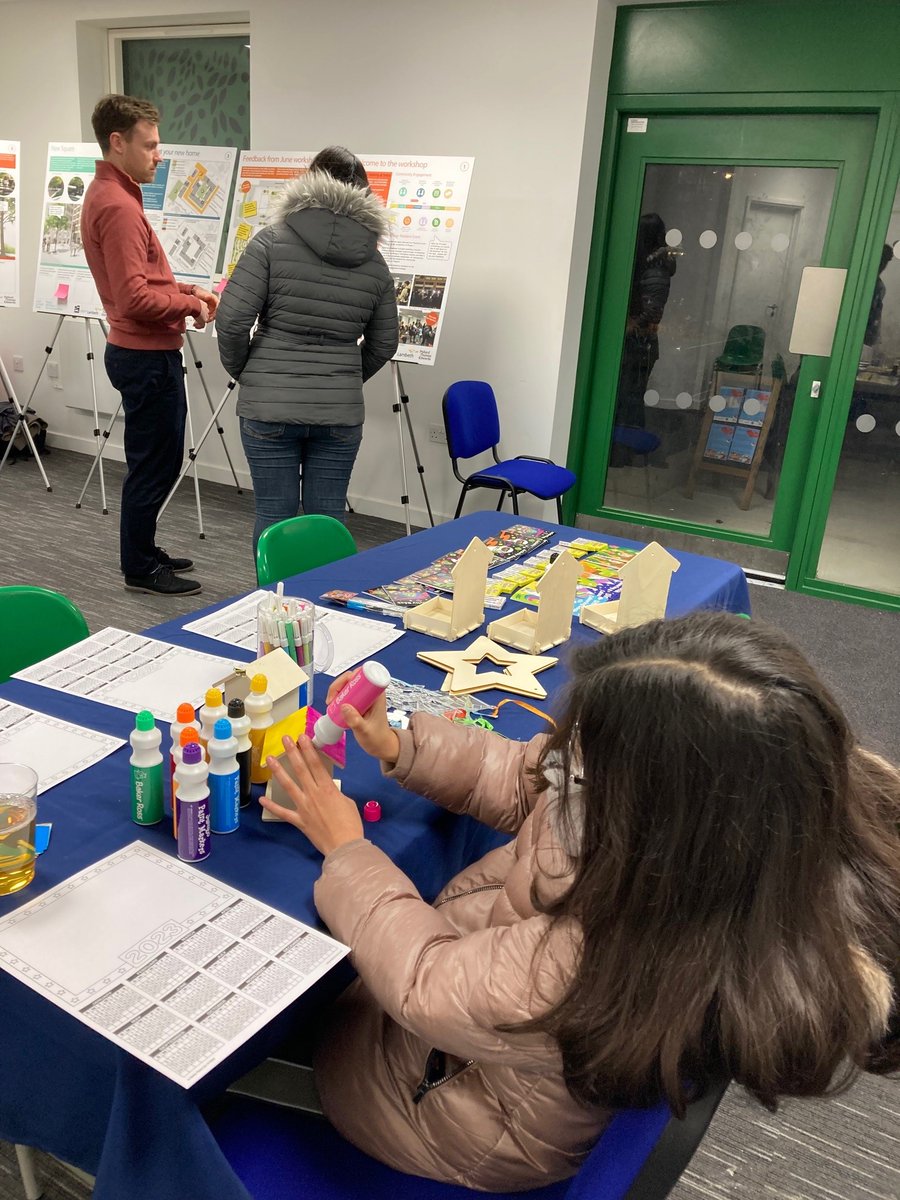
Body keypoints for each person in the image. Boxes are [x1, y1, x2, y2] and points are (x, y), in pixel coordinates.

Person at [259, 611, 900, 1191]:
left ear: (655, 826)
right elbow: (526, 777)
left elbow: (425, 983)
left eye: (581, 773)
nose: (560, 775)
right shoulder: (737, 848)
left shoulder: (595, 960)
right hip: (481, 1031)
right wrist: (403, 746)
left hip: (442, 1112)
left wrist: (345, 848)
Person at [216, 146, 399, 554]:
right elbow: (385, 341)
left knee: (273, 519)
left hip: (268, 407)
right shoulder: (375, 263)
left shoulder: (269, 243)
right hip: (339, 412)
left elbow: (231, 320)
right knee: (328, 520)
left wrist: (249, 372)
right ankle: (325, 610)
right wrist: (347, 375)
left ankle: (273, 612)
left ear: (308, 182)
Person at [81, 94, 219, 597]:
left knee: (158, 460)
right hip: (144, 355)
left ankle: (143, 549)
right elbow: (135, 298)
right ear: (118, 143)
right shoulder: (117, 205)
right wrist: (188, 306)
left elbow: (143, 282)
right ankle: (139, 566)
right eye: (150, 145)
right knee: (152, 464)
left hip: (144, 352)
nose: (158, 156)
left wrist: (187, 292)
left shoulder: (115, 194)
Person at [611, 213, 677, 462]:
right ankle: (627, 454)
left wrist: (629, 326)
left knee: (629, 398)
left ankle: (626, 454)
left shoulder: (656, 267)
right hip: (639, 343)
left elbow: (652, 311)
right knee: (628, 398)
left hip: (640, 343)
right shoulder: (651, 264)